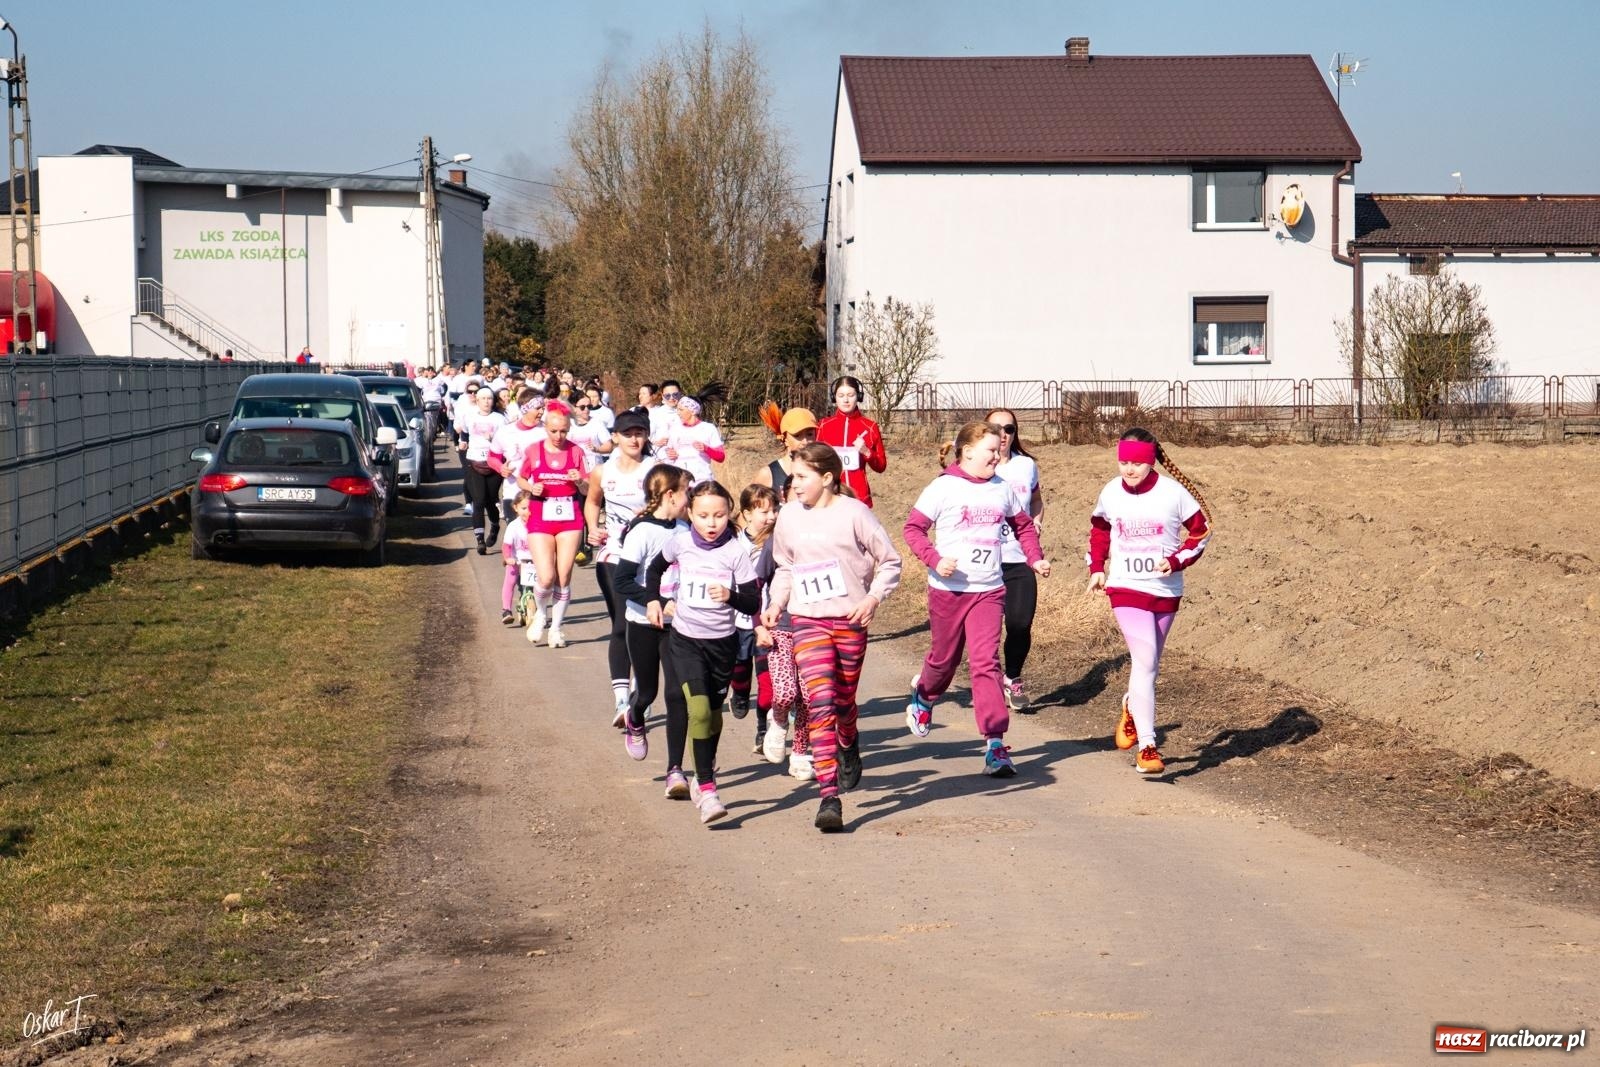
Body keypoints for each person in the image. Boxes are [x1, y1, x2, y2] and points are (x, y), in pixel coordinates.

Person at [763, 443, 902, 832]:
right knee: (820, 702)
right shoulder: (788, 515)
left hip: (850, 620)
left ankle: (849, 735)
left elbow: (890, 561)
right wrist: (777, 604)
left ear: (827, 478)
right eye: (792, 476)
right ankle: (828, 796)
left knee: (842, 702)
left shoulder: (855, 513)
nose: (794, 483)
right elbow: (786, 566)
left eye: (802, 476)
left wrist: (874, 598)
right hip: (807, 620)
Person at [902, 421, 1050, 778]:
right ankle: (924, 696)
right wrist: (936, 559)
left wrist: (1034, 557)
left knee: (986, 663)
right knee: (944, 660)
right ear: (967, 451)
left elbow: (1024, 526)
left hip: (989, 589)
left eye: (1000, 450)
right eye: (991, 450)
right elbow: (913, 529)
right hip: (949, 590)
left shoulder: (1001, 488)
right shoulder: (944, 487)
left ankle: (995, 744)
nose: (998, 455)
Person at [1088, 428, 1212, 775]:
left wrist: (1176, 560)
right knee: (1143, 660)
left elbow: (1201, 531)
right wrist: (1097, 567)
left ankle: (1131, 704)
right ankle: (1148, 746)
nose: (1129, 469)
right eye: (1123, 461)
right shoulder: (1111, 492)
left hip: (1165, 589)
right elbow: (1099, 528)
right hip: (1125, 586)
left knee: (1149, 666)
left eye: (1136, 463)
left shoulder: (1174, 494)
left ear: (1151, 461)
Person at [644, 480, 761, 825]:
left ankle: (702, 774)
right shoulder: (679, 543)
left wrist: (730, 596)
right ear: (690, 513)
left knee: (713, 716)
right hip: (685, 641)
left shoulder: (736, 552)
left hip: (722, 645)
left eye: (720, 515)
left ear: (730, 514)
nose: (712, 523)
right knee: (697, 711)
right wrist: (656, 600)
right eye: (704, 516)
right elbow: (653, 570)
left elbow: (753, 600)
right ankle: (708, 789)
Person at [612, 466, 692, 785]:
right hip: (643, 623)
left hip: (678, 625)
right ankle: (635, 717)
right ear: (671, 495)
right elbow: (622, 580)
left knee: (677, 695)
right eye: (687, 491)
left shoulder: (685, 529)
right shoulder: (642, 531)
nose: (690, 498)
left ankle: (675, 769)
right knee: (647, 692)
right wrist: (653, 600)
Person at [584, 408, 657, 725]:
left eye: (640, 433)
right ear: (615, 437)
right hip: (614, 551)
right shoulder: (603, 471)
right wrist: (592, 527)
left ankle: (643, 692)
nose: (634, 439)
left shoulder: (656, 469)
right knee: (621, 625)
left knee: (647, 625)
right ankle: (620, 701)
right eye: (628, 434)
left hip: (651, 556)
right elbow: (593, 501)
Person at [514, 401, 592, 648]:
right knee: (546, 577)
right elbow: (521, 478)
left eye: (564, 431)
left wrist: (580, 481)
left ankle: (556, 628)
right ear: (545, 427)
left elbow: (589, 487)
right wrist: (530, 487)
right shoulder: (534, 450)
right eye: (554, 431)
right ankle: (541, 614)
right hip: (541, 514)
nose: (559, 436)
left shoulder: (576, 452)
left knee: (563, 575)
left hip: (569, 516)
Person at [987, 407, 1046, 711]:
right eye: (996, 428)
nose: (1003, 435)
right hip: (984, 560)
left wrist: (1035, 521)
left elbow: (1035, 499)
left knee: (1020, 624)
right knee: (985, 630)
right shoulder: (978, 467)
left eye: (1009, 429)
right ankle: (983, 679)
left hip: (1019, 557)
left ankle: (1012, 677)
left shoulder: (1026, 466)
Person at [729, 484, 778, 726]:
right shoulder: (733, 544)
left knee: (768, 682)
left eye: (774, 510)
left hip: (769, 621)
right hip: (738, 621)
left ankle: (763, 727)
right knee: (740, 671)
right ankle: (739, 693)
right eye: (764, 512)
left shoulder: (779, 542)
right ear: (747, 514)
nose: (772, 517)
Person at [816, 375, 888, 508]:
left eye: (850, 395)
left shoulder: (870, 427)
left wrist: (866, 452)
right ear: (834, 398)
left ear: (858, 397)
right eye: (841, 395)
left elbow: (881, 466)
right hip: (830, 496)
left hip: (859, 498)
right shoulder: (824, 426)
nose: (846, 400)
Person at [457, 384, 508, 552]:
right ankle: (479, 539)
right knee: (478, 500)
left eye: (489, 399)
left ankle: (494, 526)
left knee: (490, 500)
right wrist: (462, 441)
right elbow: (463, 432)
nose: (486, 402)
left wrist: (493, 437)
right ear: (476, 401)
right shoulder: (469, 416)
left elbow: (506, 441)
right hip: (474, 461)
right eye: (483, 399)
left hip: (493, 462)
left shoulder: (499, 419)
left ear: (493, 401)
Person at [658, 389, 725, 484]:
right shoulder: (674, 429)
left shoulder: (708, 428)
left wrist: (706, 448)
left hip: (702, 480)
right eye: (677, 409)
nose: (678, 413)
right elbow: (668, 452)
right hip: (680, 482)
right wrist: (669, 454)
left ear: (693, 411)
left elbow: (721, 457)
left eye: (681, 409)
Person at [755, 403, 819, 499]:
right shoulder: (768, 474)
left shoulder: (822, 470)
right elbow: (748, 510)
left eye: (810, 434)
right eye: (797, 435)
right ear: (785, 439)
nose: (805, 441)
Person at [500, 492, 537, 625]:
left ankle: (539, 610)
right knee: (510, 581)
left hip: (534, 562)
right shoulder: (514, 526)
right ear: (515, 508)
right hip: (517, 560)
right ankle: (506, 610)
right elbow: (506, 545)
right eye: (523, 508)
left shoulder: (538, 524)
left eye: (531, 508)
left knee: (540, 586)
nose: (527, 512)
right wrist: (508, 558)